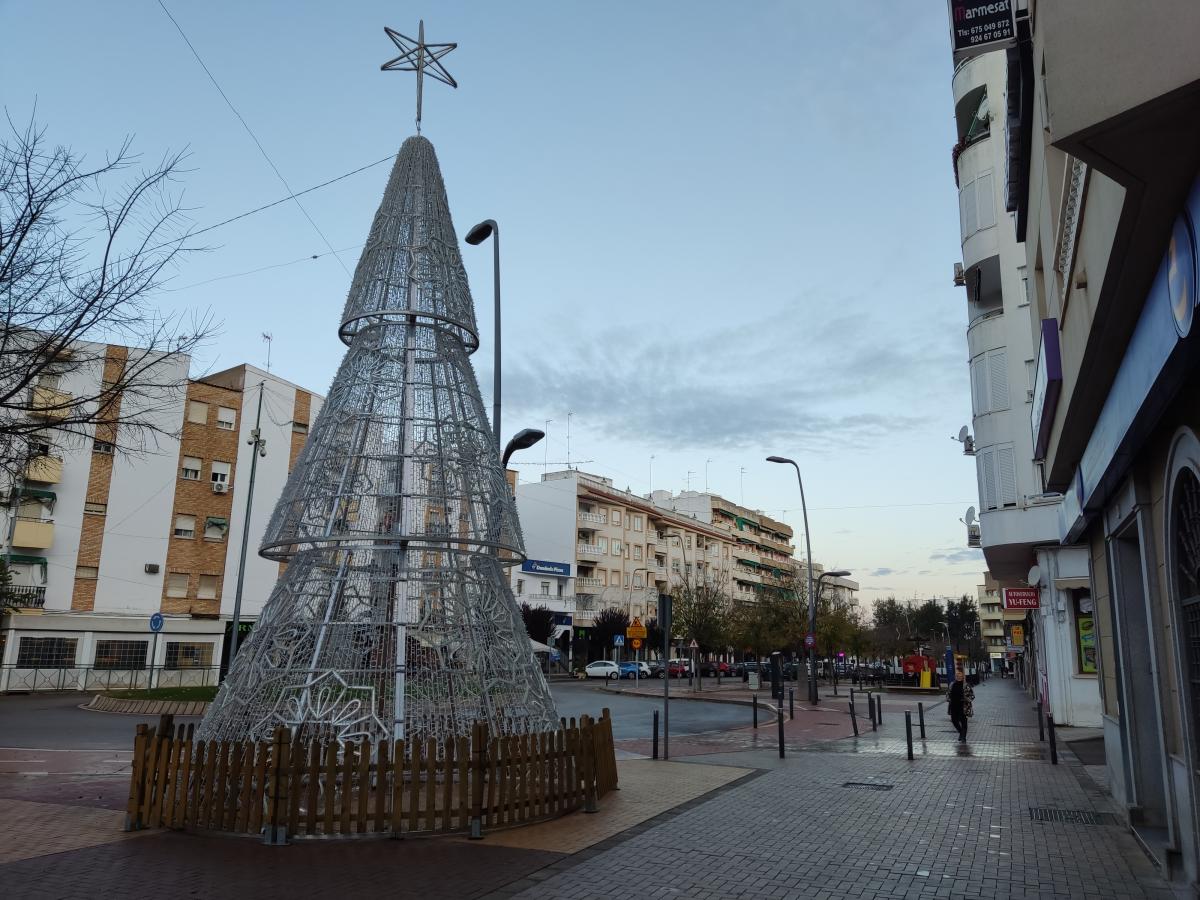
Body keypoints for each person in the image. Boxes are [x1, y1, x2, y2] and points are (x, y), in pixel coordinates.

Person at [948, 666, 974, 742]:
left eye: (960, 676)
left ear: (963, 677)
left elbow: (972, 696)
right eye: (957, 676)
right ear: (955, 677)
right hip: (953, 706)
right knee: (954, 720)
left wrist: (966, 699)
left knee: (963, 722)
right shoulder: (952, 684)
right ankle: (961, 732)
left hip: (963, 706)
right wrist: (949, 699)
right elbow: (948, 693)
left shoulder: (966, 685)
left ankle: (963, 737)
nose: (959, 677)